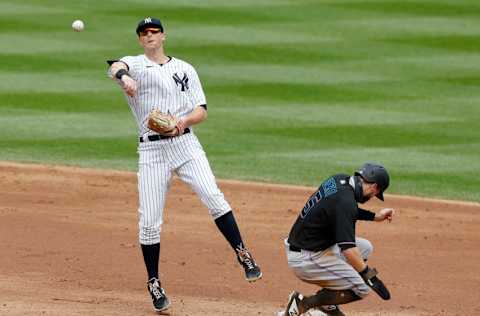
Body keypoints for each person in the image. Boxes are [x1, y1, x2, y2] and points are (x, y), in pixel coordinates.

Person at [106, 17, 262, 313]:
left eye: (154, 31)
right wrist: (123, 78)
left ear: (163, 36)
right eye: (144, 33)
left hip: (185, 144)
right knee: (149, 222)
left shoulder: (185, 69)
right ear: (140, 39)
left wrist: (183, 121)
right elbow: (114, 66)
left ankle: (242, 253)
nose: (149, 36)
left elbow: (201, 110)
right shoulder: (135, 64)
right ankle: (154, 282)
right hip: (151, 152)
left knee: (214, 197)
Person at [280, 162, 394, 316]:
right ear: (374, 187)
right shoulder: (346, 203)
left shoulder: (339, 180)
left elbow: (341, 209)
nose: (371, 197)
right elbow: (348, 250)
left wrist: (375, 216)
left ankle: (328, 303)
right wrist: (369, 276)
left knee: (365, 247)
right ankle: (303, 303)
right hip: (306, 258)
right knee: (362, 288)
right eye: (374, 194)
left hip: (308, 244)